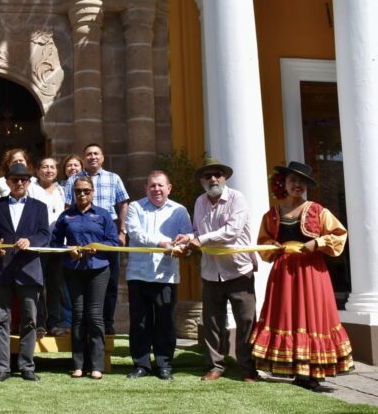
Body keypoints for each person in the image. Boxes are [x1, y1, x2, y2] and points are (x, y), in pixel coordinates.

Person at [250, 161, 352, 391]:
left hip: (311, 272)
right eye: (293, 180)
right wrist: (273, 245)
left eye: (302, 181)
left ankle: (312, 373)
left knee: (312, 316)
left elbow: (339, 234)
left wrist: (318, 242)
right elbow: (263, 241)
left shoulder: (317, 211)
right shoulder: (272, 215)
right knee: (288, 316)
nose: (298, 185)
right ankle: (295, 369)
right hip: (284, 273)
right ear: (283, 183)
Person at [174, 159, 259, 383]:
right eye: (207, 176)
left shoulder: (237, 198)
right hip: (211, 271)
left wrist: (199, 240)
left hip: (239, 270)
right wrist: (187, 239)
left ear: (225, 178)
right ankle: (215, 366)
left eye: (217, 175)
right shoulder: (199, 201)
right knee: (212, 322)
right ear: (202, 181)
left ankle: (248, 368)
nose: (213, 179)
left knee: (246, 321)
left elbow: (232, 231)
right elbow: (197, 231)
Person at [0, 163, 50, 382]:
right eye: (15, 179)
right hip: (2, 270)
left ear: (29, 182)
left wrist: (30, 241)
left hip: (29, 270)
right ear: (7, 182)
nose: (19, 183)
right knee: (2, 321)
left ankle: (26, 366)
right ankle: (2, 368)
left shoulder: (39, 207)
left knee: (29, 320)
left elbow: (45, 235)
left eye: (24, 179)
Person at [125, 171, 192, 381]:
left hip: (166, 274)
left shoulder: (179, 210)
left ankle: (164, 365)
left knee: (165, 322)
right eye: (152, 185)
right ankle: (141, 365)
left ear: (169, 188)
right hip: (138, 274)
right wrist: (161, 243)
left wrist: (184, 243)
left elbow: (188, 235)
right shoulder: (135, 207)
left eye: (160, 185)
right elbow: (134, 232)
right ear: (146, 188)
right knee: (140, 322)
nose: (156, 189)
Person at [51, 176, 118, 379]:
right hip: (74, 269)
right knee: (78, 315)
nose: (82, 194)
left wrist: (98, 247)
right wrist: (67, 249)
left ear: (93, 192)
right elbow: (54, 243)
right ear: (73, 193)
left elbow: (114, 242)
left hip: (98, 269)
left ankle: (97, 364)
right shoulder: (66, 216)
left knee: (95, 315)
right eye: (78, 191)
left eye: (86, 191)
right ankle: (78, 364)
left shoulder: (103, 215)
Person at [65, 143, 129, 335]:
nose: (92, 157)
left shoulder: (113, 178)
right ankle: (83, 324)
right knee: (81, 281)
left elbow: (123, 204)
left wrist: (122, 232)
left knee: (110, 281)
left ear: (102, 157)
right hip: (80, 232)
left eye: (96, 154)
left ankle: (107, 323)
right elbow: (67, 208)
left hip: (108, 233)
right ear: (84, 158)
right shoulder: (73, 180)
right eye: (89, 154)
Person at [31, 157, 70, 337]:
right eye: (45, 167)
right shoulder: (32, 188)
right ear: (38, 171)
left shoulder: (61, 190)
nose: (48, 170)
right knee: (38, 285)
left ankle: (53, 323)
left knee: (55, 285)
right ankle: (39, 324)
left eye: (52, 167)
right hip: (38, 244)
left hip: (57, 244)